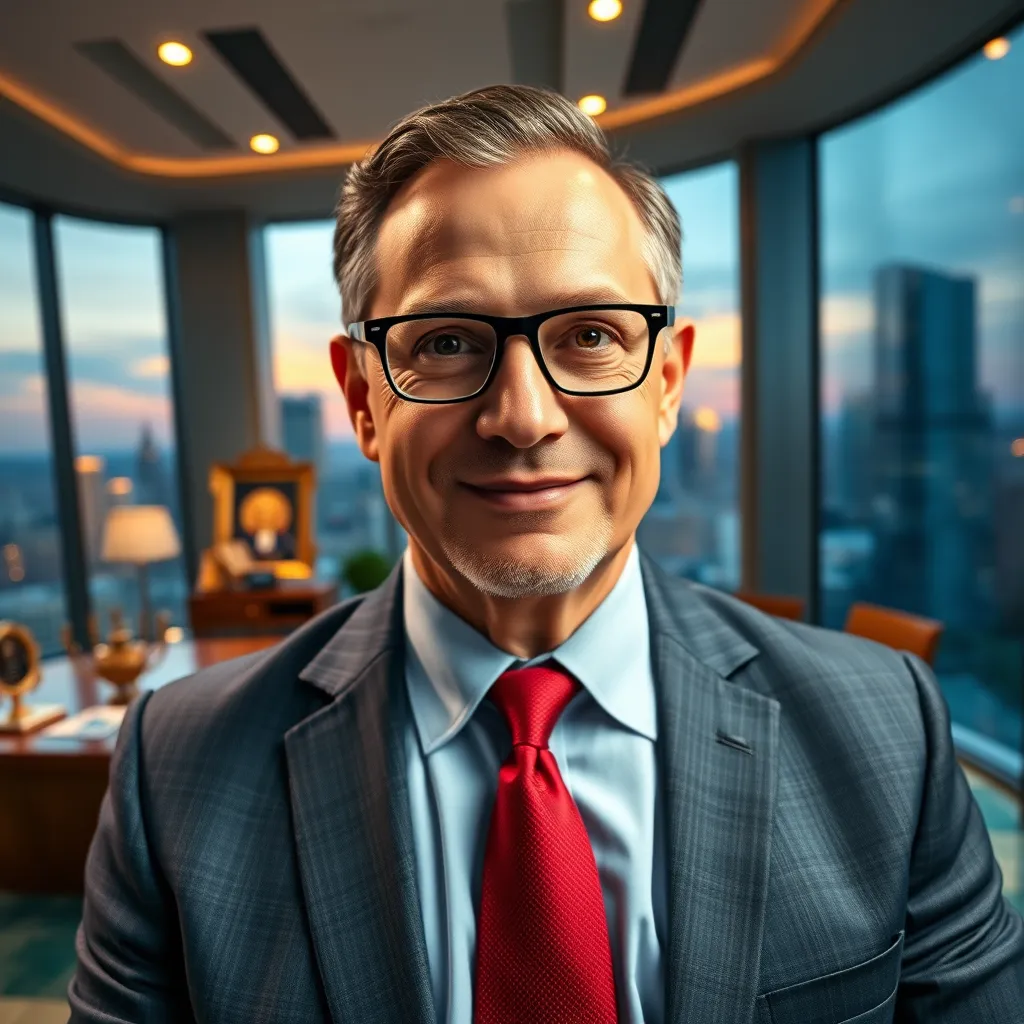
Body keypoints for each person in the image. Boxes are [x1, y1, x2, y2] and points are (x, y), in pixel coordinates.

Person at [69, 85, 1024, 1023]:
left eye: (592, 336)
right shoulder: (176, 770)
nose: (523, 418)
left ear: (667, 384)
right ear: (363, 397)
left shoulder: (889, 735)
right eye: (445, 340)